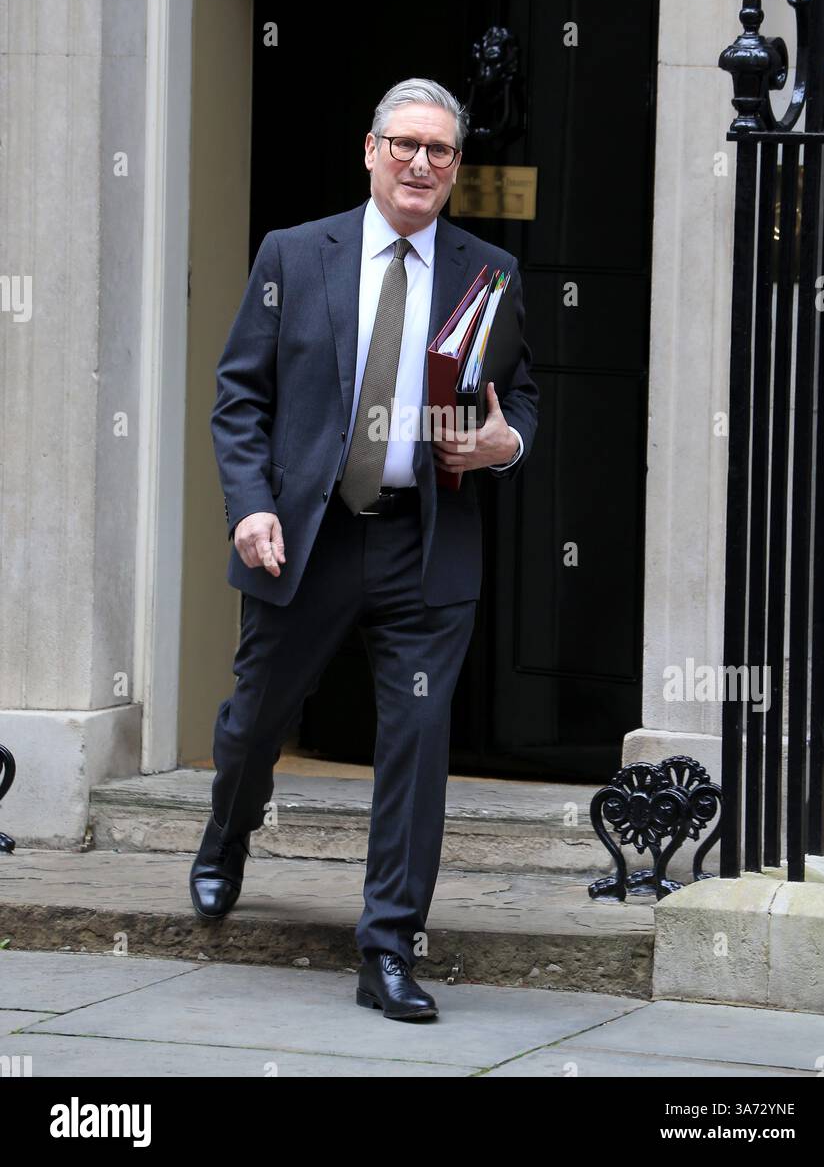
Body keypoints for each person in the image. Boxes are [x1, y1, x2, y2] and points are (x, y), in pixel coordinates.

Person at [190, 77, 539, 1020]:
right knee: (255, 719)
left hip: (425, 548)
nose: (421, 164)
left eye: (439, 151)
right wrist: (249, 507)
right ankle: (228, 831)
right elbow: (240, 398)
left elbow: (523, 398)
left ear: (457, 168)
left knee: (416, 747)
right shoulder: (296, 255)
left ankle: (387, 947)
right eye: (405, 146)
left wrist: (505, 443)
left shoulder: (488, 270)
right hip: (304, 540)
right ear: (371, 150)